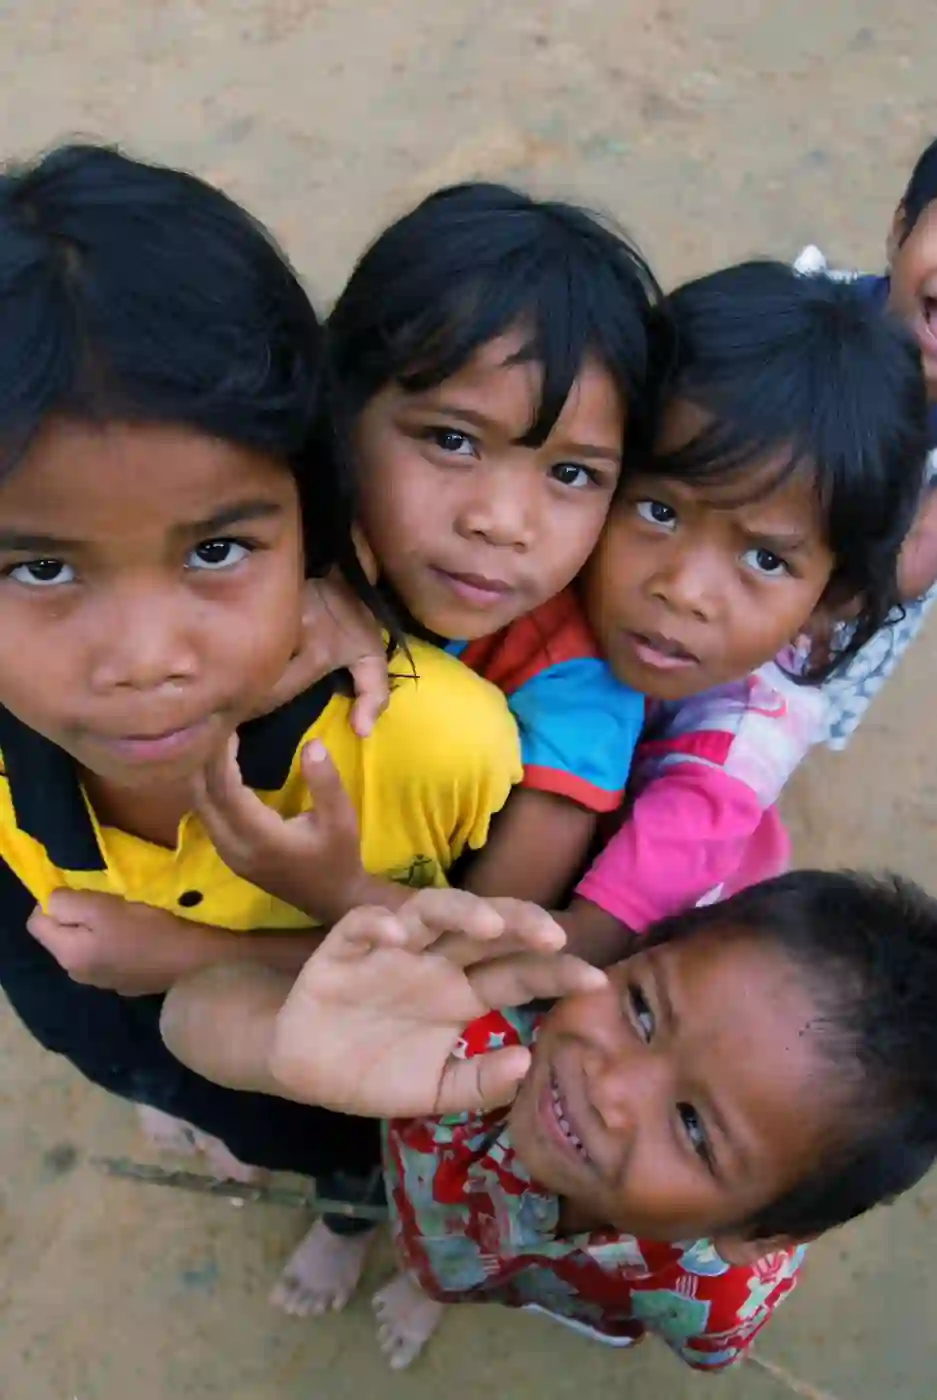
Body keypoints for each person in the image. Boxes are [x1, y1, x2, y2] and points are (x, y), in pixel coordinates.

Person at [0, 141, 534, 1308]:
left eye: (217, 548)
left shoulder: (433, 744)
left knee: (345, 1158)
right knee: (150, 1071)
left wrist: (186, 958)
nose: (146, 658)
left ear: (316, 517)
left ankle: (345, 1223)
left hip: (343, 1086)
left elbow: (477, 976)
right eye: (39, 567)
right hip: (94, 1010)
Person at [162, 873, 937, 1370]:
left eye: (695, 1128)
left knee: (489, 1280)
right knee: (422, 1236)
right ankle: (402, 1258)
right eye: (641, 1010)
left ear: (760, 1234)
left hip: (549, 1281)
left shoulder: (718, 1302)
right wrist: (283, 1046)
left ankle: (439, 1289)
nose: (609, 1086)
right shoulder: (475, 1038)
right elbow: (184, 1015)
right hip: (423, 1201)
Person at [794, 133, 937, 748]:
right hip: (711, 575)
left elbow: (920, 550)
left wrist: (823, 608)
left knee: (756, 738)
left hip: (829, 624)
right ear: (901, 228)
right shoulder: (796, 320)